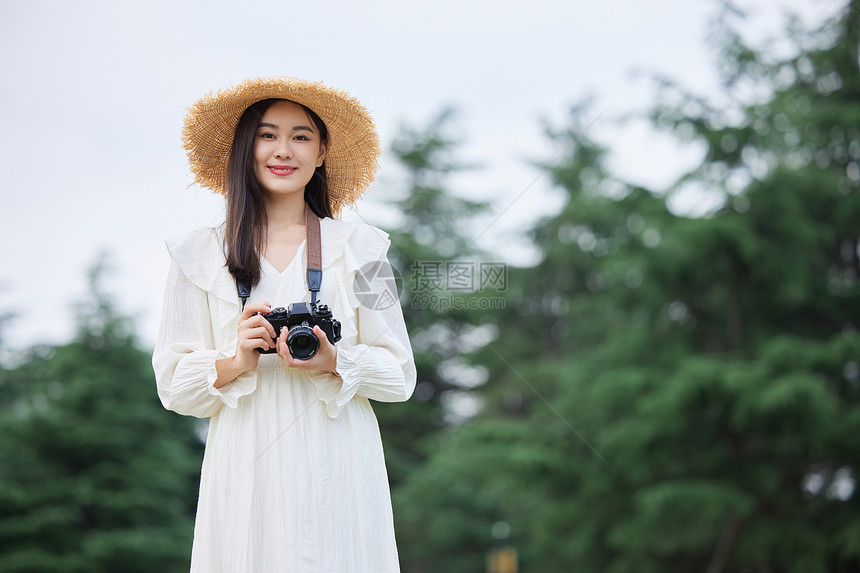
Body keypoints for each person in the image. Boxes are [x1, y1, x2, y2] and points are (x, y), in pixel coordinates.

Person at [152, 77, 416, 572]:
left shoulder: (365, 250)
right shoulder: (196, 254)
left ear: (321, 153)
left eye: (301, 136)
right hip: (245, 460)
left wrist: (335, 360)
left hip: (338, 460)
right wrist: (236, 358)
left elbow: (400, 375)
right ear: (244, 148)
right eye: (267, 134)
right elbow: (173, 386)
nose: (283, 150)